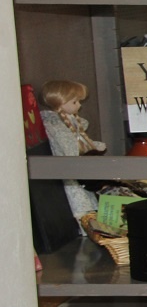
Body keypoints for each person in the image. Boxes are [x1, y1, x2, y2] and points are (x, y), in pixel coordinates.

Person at [40, 79, 105, 219]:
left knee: (86, 197)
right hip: (69, 171)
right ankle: (84, 221)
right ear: (61, 102)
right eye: (75, 102)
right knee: (79, 201)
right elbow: (69, 147)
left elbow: (79, 141)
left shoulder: (70, 121)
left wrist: (94, 146)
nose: (79, 105)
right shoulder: (56, 126)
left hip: (77, 169)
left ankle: (88, 220)